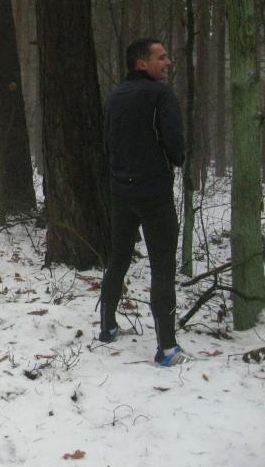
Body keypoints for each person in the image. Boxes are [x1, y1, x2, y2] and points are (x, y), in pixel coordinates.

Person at [100, 38, 189, 367]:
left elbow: (107, 142)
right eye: (161, 57)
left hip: (121, 191)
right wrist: (177, 158)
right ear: (142, 64)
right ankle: (167, 349)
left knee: (118, 259)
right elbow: (174, 142)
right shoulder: (161, 94)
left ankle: (107, 328)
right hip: (154, 194)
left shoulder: (114, 96)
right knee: (162, 266)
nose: (168, 62)